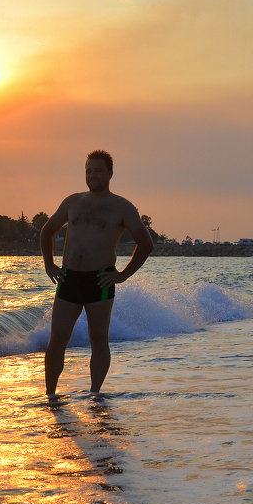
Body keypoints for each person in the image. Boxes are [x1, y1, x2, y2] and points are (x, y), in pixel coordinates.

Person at [40, 150, 153, 398]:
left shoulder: (122, 207)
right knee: (57, 339)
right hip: (69, 278)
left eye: (98, 170)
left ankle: (95, 395)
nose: (93, 175)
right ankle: (50, 396)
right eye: (89, 170)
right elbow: (46, 231)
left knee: (99, 338)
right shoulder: (72, 202)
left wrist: (122, 275)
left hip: (100, 279)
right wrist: (49, 264)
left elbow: (146, 244)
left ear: (110, 173)